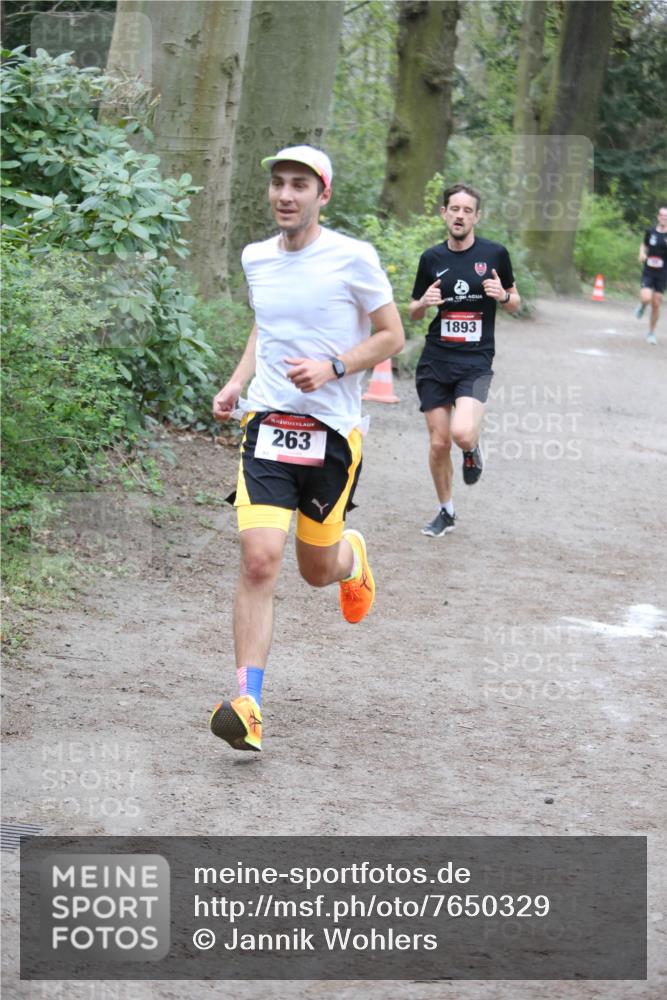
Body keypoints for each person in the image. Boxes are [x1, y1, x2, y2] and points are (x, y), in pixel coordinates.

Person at [209, 145, 404, 752]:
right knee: (260, 560)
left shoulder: (353, 258)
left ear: (323, 195)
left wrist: (335, 365)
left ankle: (352, 558)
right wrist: (239, 381)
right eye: (278, 184)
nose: (285, 195)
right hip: (266, 427)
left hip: (331, 438)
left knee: (315, 570)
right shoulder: (256, 258)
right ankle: (249, 702)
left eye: (299, 185)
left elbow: (392, 335)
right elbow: (266, 324)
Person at [409, 183, 520, 537]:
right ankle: (446, 510)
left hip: (476, 359)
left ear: (476, 216)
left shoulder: (495, 254)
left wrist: (502, 295)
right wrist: (423, 303)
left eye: (467, 210)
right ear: (444, 213)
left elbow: (516, 302)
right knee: (439, 442)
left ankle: (472, 450)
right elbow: (412, 312)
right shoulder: (431, 259)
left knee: (461, 433)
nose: (459, 215)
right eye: (453, 209)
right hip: (436, 358)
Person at [635, 205, 667, 345]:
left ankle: (651, 333)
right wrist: (642, 253)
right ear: (658, 216)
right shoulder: (651, 232)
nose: (664, 218)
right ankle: (642, 306)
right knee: (646, 298)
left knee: (656, 303)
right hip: (649, 270)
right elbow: (644, 245)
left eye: (666, 216)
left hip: (663, 273)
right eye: (662, 215)